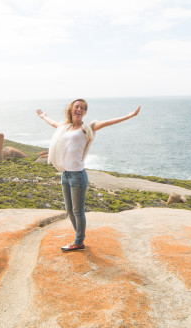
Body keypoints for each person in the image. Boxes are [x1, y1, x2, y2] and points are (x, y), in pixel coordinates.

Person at [36, 99, 141, 252]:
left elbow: (107, 122)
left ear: (85, 112)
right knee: (70, 211)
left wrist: (129, 116)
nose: (79, 109)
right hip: (65, 175)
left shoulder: (87, 128)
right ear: (71, 109)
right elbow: (53, 123)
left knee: (78, 211)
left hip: (78, 175)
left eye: (83, 108)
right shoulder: (64, 127)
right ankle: (79, 237)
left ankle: (78, 242)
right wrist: (43, 117)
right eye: (77, 106)